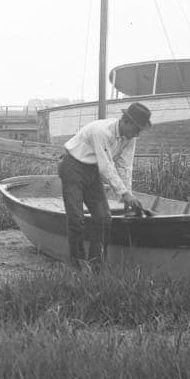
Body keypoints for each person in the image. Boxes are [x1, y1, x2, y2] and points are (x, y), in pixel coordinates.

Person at [57, 101, 152, 268]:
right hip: (73, 167)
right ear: (125, 121)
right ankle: (78, 265)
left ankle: (96, 264)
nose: (137, 134)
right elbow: (106, 167)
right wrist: (124, 193)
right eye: (136, 129)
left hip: (92, 171)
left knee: (104, 218)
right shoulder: (101, 131)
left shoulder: (130, 138)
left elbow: (125, 166)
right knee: (76, 218)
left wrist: (128, 194)